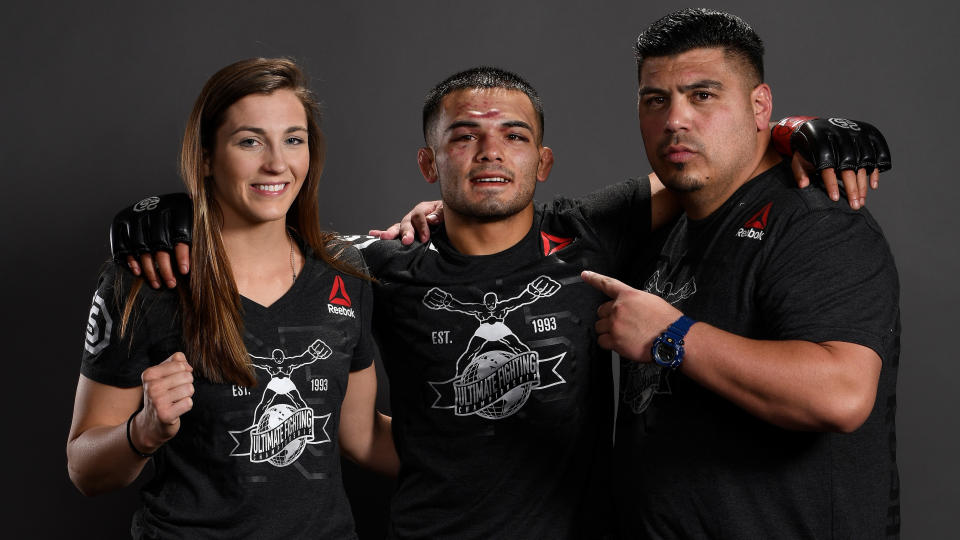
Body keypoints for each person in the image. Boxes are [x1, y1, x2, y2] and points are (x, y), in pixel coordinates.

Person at [106, 67, 888, 538]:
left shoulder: (590, 234)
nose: (490, 153)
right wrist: (167, 213)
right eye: (464, 138)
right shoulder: (377, 264)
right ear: (427, 160)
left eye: (513, 136)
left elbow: (713, 170)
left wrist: (796, 132)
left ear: (542, 160)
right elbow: (263, 232)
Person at [576, 9, 900, 538]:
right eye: (656, 100)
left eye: (703, 95)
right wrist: (439, 216)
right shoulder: (668, 220)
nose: (675, 119)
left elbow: (840, 392)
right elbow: (534, 230)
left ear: (759, 107)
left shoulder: (818, 223)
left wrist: (669, 334)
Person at [67, 58, 397, 539]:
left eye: (293, 139)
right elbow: (84, 469)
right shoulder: (146, 280)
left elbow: (361, 436)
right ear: (205, 157)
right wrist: (143, 432)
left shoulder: (344, 271)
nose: (277, 163)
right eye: (249, 141)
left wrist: (486, 451)